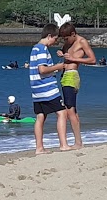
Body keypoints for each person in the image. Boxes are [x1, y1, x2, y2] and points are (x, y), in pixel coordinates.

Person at [54, 16, 96, 149]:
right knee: (72, 110)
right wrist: (62, 53)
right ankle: (78, 141)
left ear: (73, 34)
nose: (65, 41)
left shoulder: (81, 41)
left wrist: (74, 59)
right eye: (64, 39)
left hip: (72, 76)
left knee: (69, 110)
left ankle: (78, 142)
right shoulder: (68, 43)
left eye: (67, 38)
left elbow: (93, 59)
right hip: (64, 75)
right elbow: (66, 56)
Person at [28, 27, 67, 153]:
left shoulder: (35, 48)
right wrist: (59, 66)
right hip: (47, 88)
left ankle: (39, 148)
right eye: (55, 39)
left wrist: (53, 69)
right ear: (49, 36)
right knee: (62, 113)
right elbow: (42, 70)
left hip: (36, 90)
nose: (55, 42)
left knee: (40, 116)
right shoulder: (42, 49)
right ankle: (63, 144)